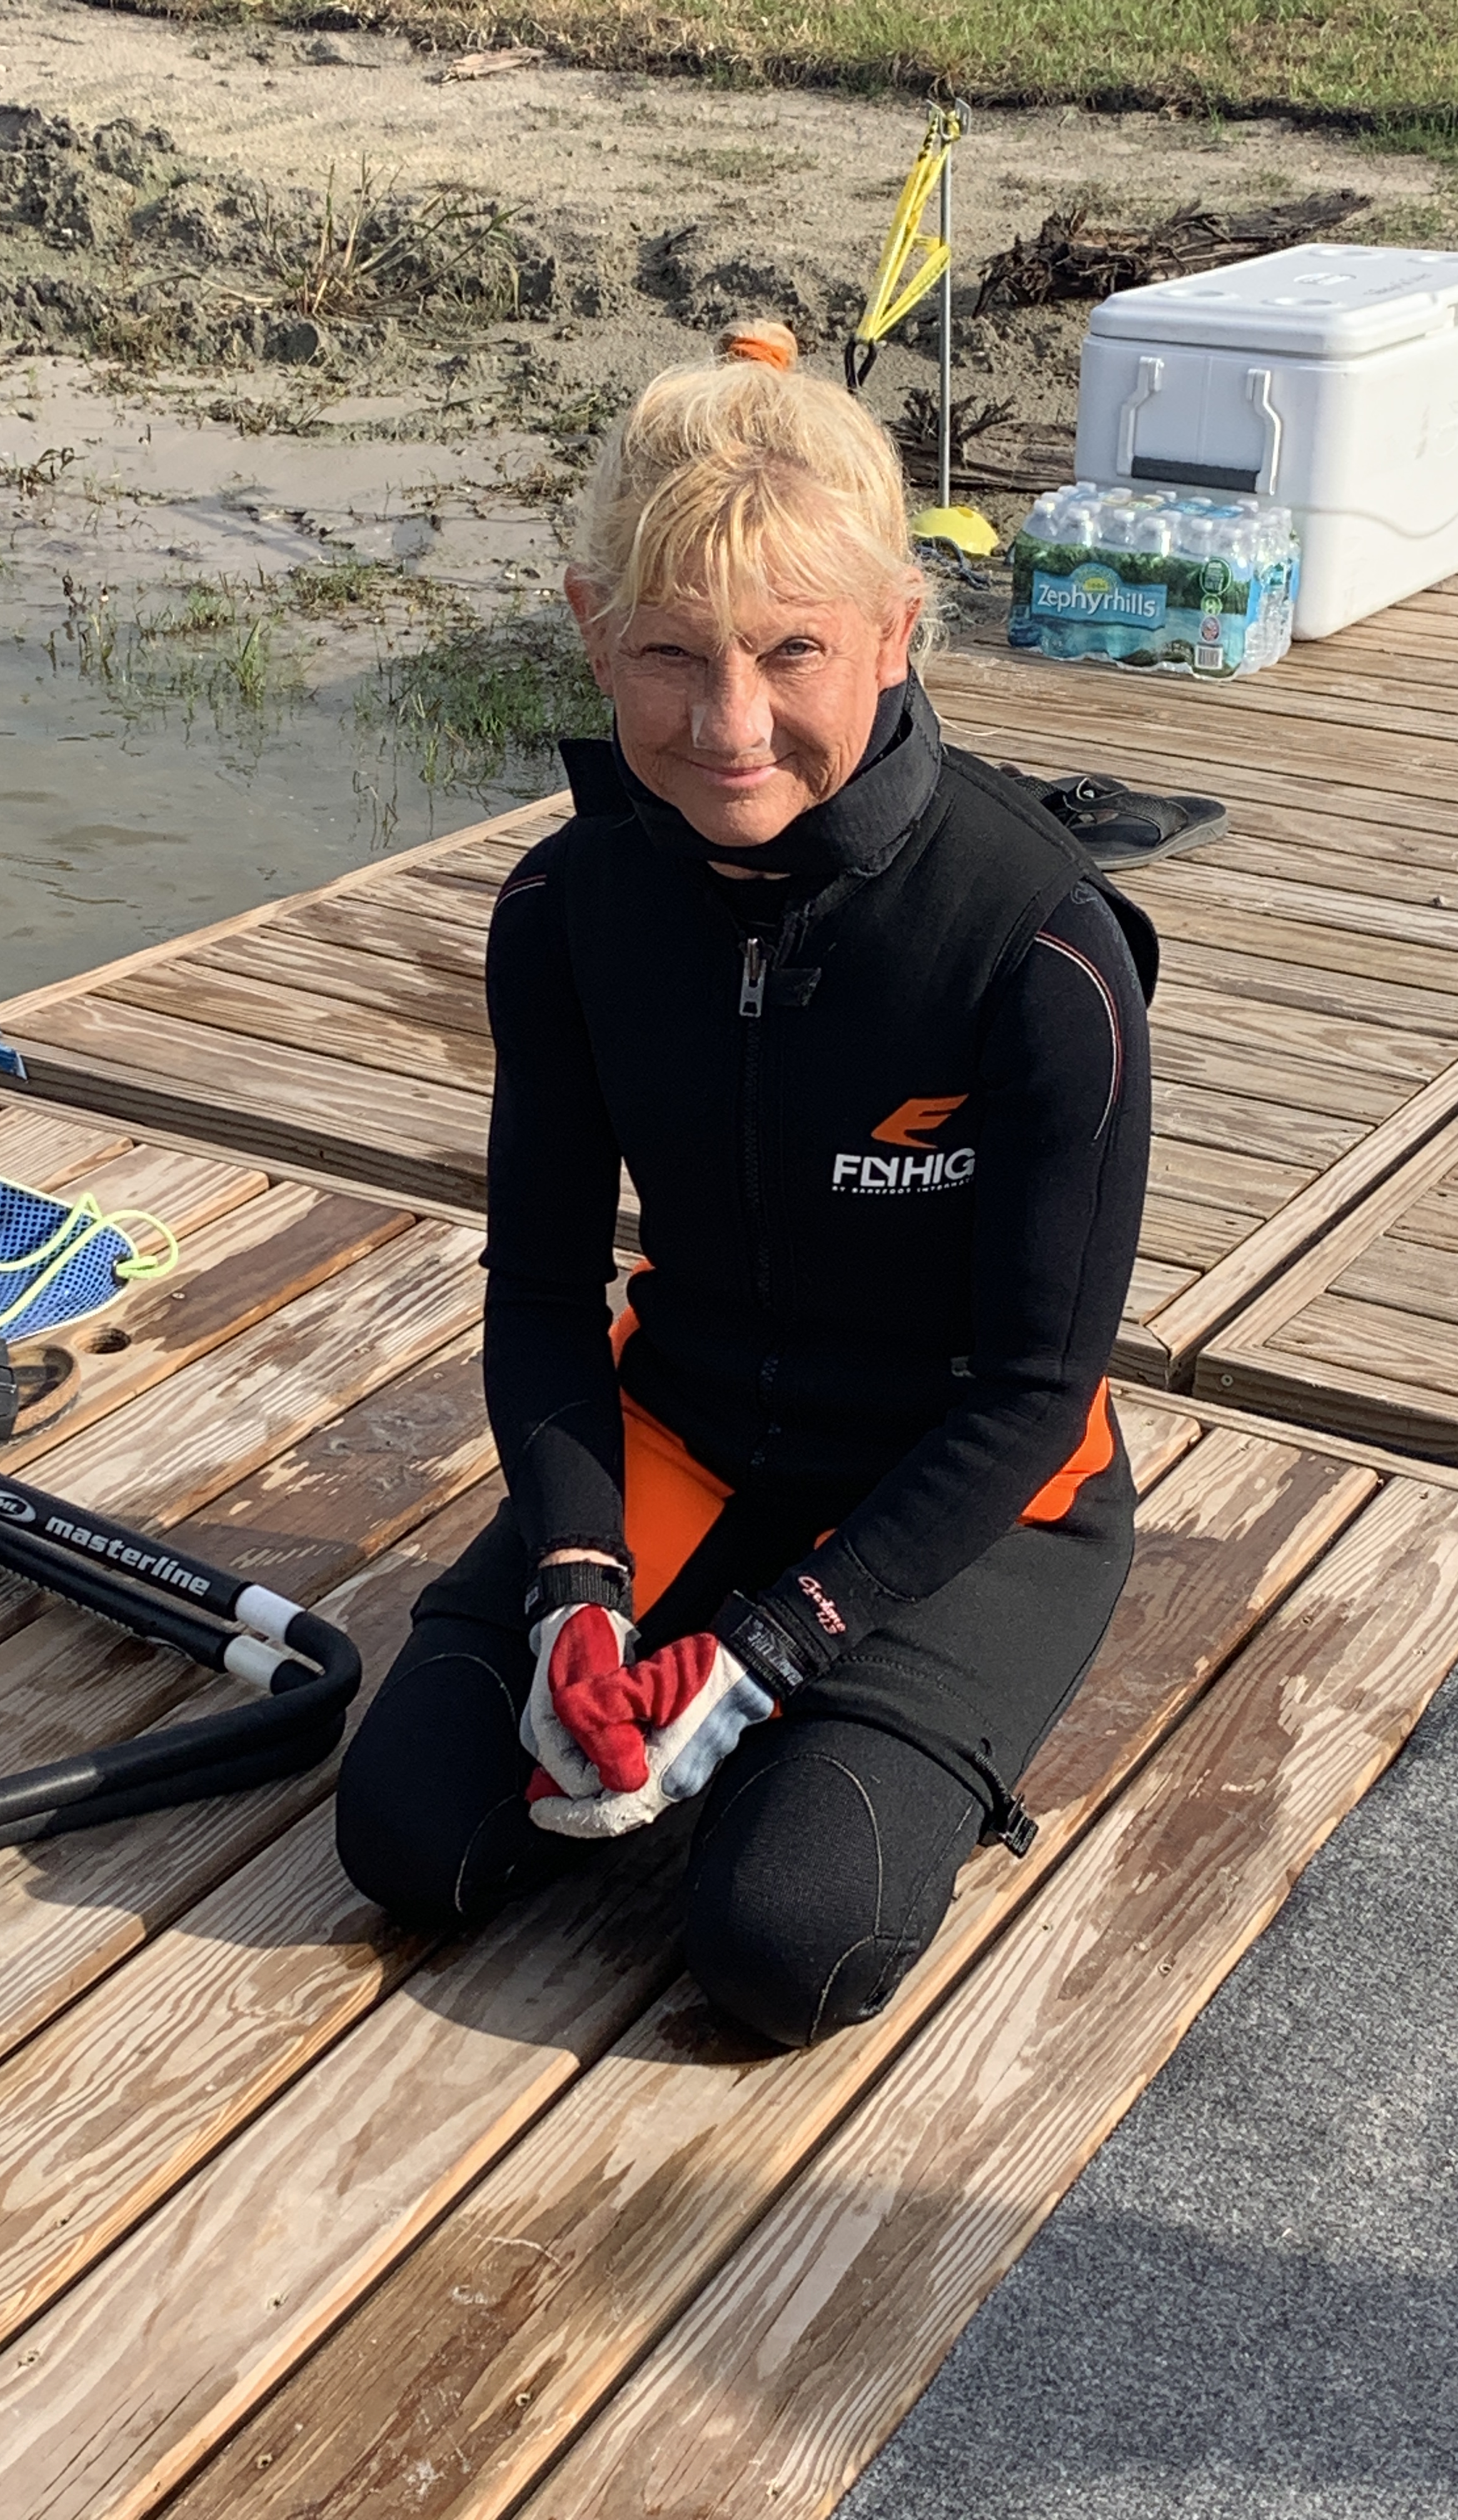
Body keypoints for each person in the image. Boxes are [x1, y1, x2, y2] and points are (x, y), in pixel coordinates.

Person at [335, 322, 1157, 2049]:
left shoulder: (1039, 947)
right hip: (688, 1438)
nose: (730, 727)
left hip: (975, 1487)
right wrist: (578, 1579)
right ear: (590, 631)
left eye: (794, 651)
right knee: (411, 1836)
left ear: (895, 632)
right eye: (670, 653)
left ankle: (825, 1708)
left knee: (784, 1942)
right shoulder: (568, 913)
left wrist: (772, 1648)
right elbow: (542, 1294)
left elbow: (1035, 1391)